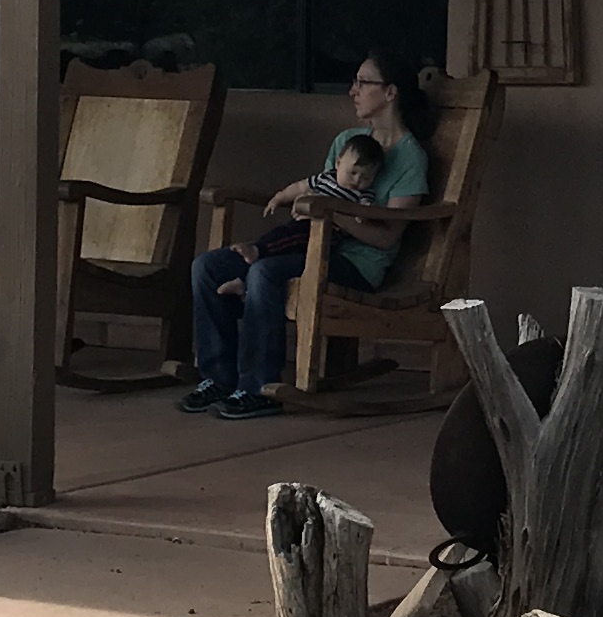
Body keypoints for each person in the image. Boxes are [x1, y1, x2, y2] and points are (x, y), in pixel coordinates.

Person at [185, 55, 433, 418]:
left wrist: (330, 211)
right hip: (309, 245)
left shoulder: (412, 158)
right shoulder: (347, 140)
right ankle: (220, 378)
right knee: (207, 267)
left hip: (356, 264)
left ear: (390, 92)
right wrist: (306, 203)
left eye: (363, 83)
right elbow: (320, 190)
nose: (353, 91)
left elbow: (384, 238)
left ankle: (259, 387)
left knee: (265, 272)